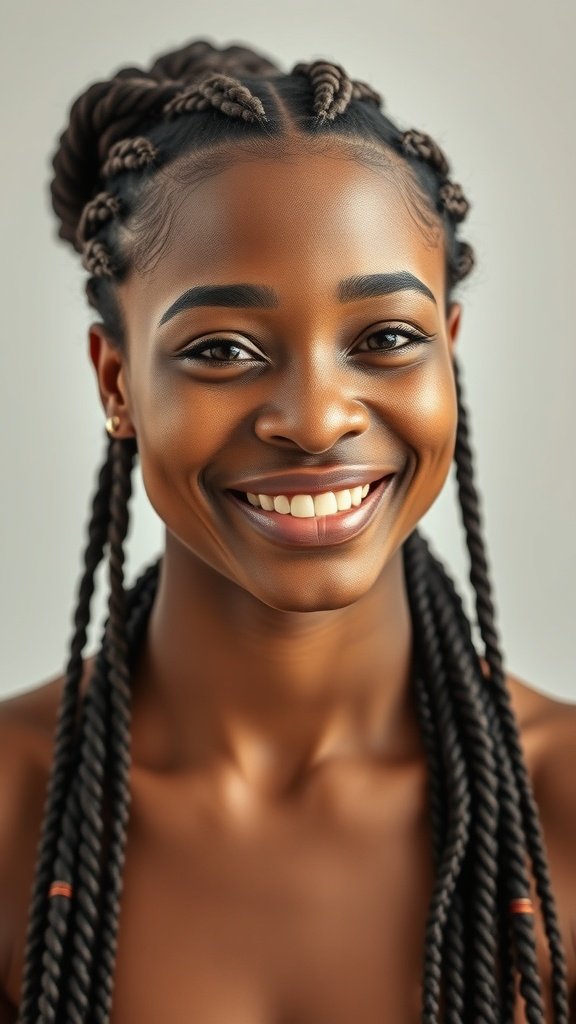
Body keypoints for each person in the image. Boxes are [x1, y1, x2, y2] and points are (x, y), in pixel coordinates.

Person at [0, 37, 574, 1024]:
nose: (315, 418)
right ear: (116, 381)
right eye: (221, 348)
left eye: (387, 338)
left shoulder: (560, 802)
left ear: (449, 349)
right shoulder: (14, 810)